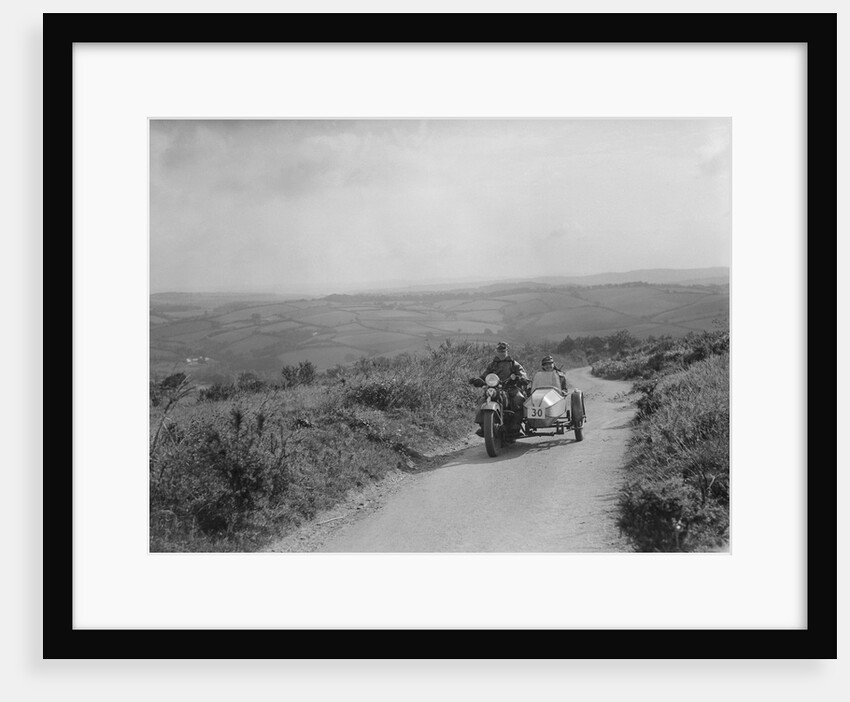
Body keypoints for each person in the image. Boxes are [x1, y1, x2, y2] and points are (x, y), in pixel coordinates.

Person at [470, 341, 529, 439]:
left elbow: (523, 374)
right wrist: (478, 380)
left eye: (503, 351)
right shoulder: (492, 365)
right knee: (482, 401)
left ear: (507, 351)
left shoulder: (513, 363)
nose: (501, 353)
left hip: (510, 388)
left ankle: (515, 427)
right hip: (494, 388)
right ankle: (484, 426)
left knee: (519, 399)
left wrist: (521, 378)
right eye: (499, 351)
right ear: (496, 351)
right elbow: (484, 375)